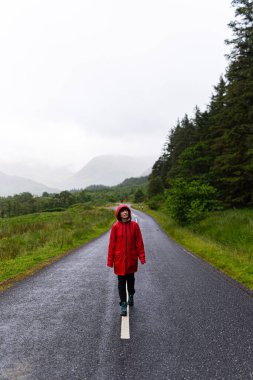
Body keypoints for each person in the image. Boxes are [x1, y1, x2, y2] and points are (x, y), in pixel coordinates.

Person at [107, 204, 146, 316]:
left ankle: (131, 295)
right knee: (121, 283)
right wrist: (110, 261)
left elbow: (139, 243)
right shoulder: (115, 227)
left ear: (129, 213)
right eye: (122, 211)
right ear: (119, 214)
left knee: (130, 280)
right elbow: (112, 245)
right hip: (119, 260)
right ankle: (123, 304)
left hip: (131, 259)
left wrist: (142, 257)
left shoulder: (134, 226)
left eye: (126, 211)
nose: (125, 213)